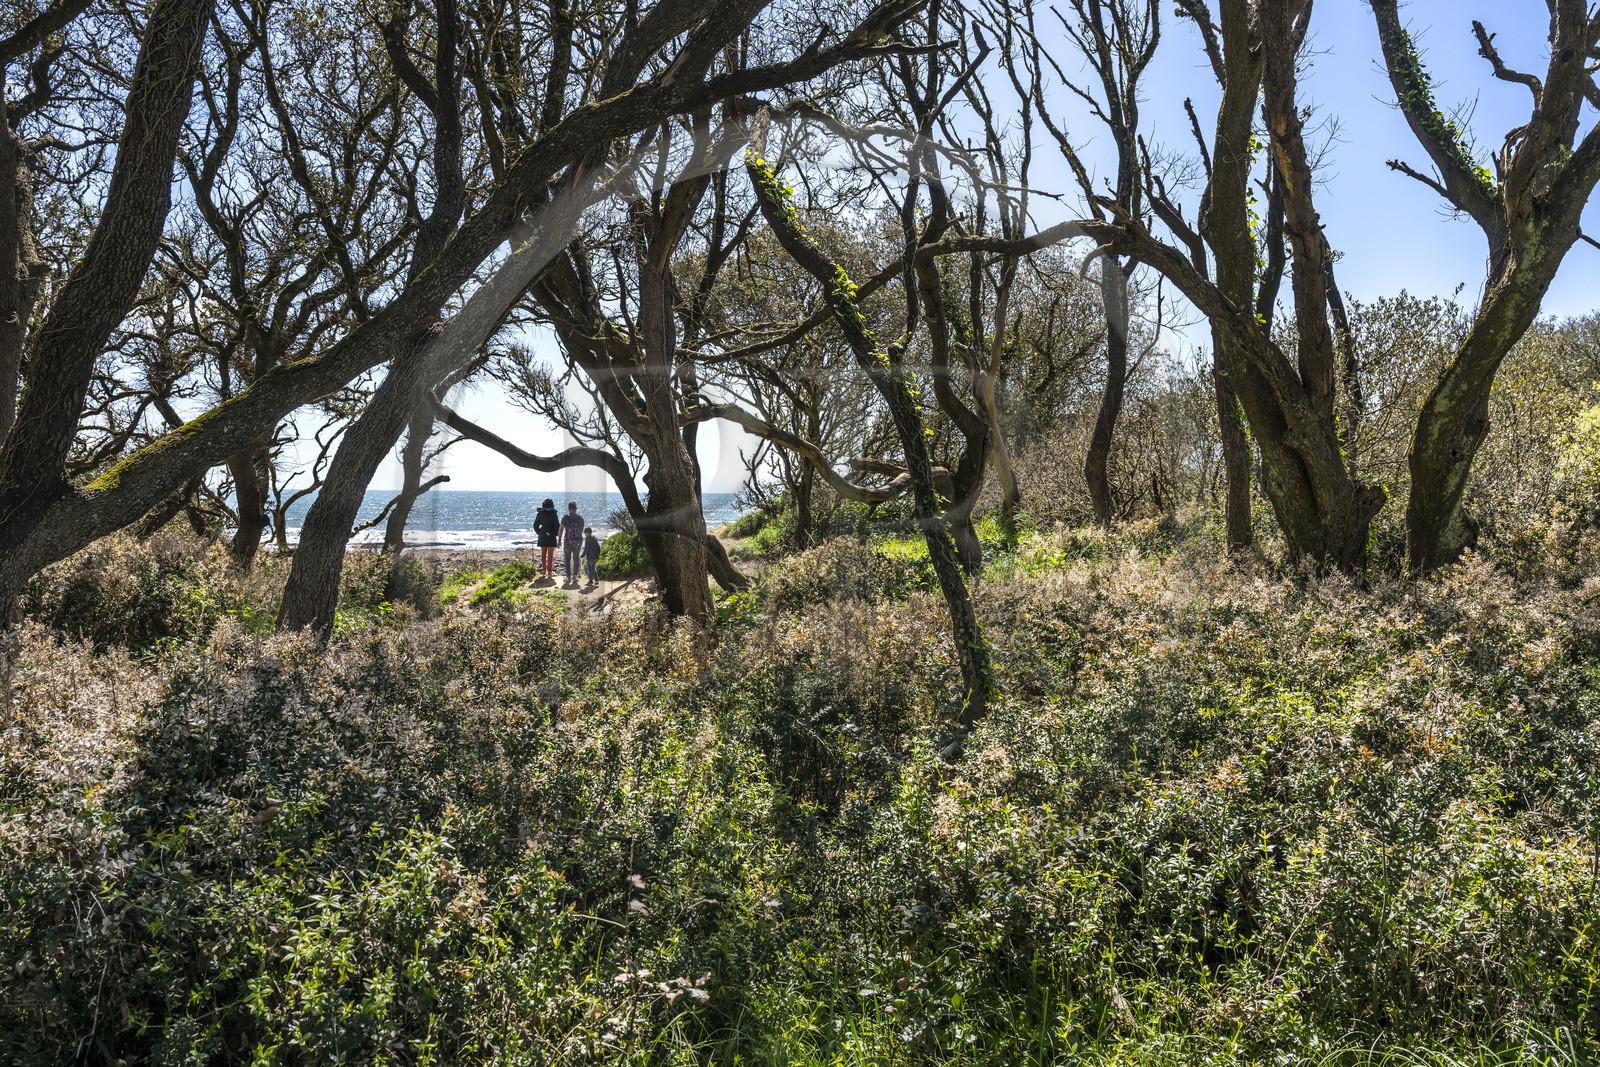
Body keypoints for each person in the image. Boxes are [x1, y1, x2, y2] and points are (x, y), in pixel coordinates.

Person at [533, 498, 559, 578]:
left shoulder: (540, 513)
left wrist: (539, 532)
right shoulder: (554, 514)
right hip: (551, 534)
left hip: (543, 533)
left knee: (543, 553)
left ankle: (544, 571)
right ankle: (550, 571)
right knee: (550, 554)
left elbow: (535, 525)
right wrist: (556, 533)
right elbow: (557, 526)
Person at [560, 501, 585, 584]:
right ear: (576, 508)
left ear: (568, 508)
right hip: (577, 542)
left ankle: (568, 576)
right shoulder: (580, 518)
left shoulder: (565, 518)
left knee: (567, 558)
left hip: (567, 541)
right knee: (576, 558)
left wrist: (559, 540)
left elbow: (561, 529)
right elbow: (581, 530)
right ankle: (575, 575)